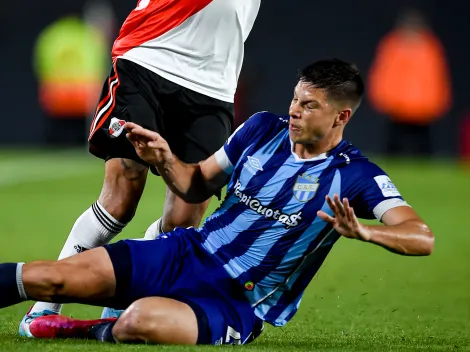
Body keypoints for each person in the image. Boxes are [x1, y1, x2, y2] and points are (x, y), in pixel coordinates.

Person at [4, 59, 434, 345]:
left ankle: (82, 330)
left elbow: (421, 236)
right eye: (295, 99)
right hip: (185, 252)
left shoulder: (356, 174)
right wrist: (166, 159)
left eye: (309, 105)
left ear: (341, 116)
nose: (295, 111)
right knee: (50, 276)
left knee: (140, 321)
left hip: (235, 300)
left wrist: (366, 231)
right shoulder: (262, 129)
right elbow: (196, 184)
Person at [22, 0, 261, 327]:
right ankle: (45, 305)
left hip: (213, 84)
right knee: (122, 195)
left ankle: (129, 293)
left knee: (184, 220)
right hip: (149, 57)